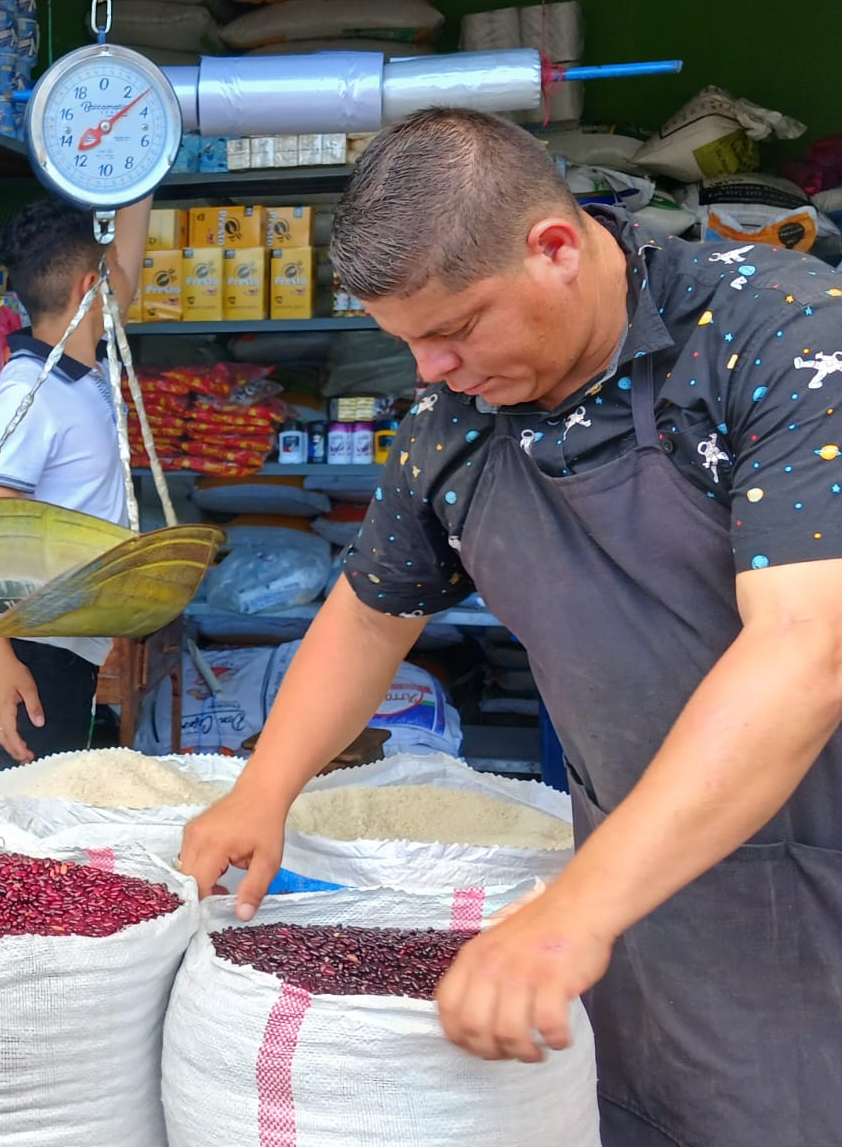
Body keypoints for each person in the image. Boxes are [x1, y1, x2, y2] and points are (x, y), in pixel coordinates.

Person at [180, 108, 842, 1145]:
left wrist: (571, 913)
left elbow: (804, 651)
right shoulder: (452, 425)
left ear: (555, 248)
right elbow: (367, 615)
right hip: (640, 886)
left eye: (454, 329)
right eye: (407, 345)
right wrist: (260, 791)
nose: (432, 371)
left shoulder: (781, 339)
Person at [0, 195, 151, 772]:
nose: (122, 284)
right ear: (88, 287)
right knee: (22, 837)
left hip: (64, 647)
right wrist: (0, 665)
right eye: (110, 276)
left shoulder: (80, 372)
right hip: (25, 654)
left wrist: (139, 169)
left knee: (51, 821)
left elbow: (129, 269)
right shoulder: (29, 393)